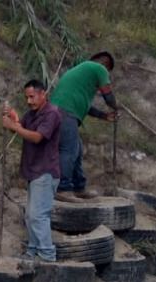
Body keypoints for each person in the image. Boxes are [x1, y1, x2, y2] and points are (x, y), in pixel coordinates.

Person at [1, 79, 61, 262]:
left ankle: (47, 254)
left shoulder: (52, 114)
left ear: (43, 94)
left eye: (32, 97)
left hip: (45, 170)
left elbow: (36, 137)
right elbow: (20, 128)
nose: (29, 101)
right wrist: (13, 119)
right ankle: (33, 250)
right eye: (27, 97)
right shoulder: (32, 114)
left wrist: (14, 127)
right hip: (34, 170)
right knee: (30, 215)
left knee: (37, 215)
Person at [49, 51, 119, 201]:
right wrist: (116, 107)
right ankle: (63, 188)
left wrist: (104, 116)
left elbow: (85, 106)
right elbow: (108, 96)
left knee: (77, 149)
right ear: (105, 64)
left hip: (58, 111)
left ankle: (78, 187)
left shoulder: (80, 73)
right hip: (65, 112)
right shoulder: (98, 68)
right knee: (69, 150)